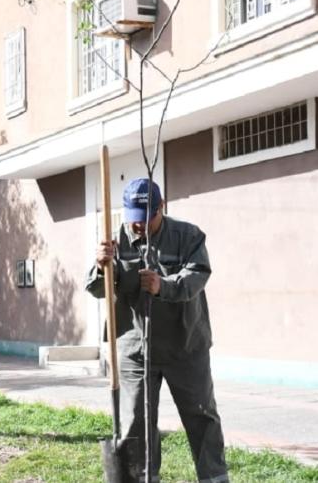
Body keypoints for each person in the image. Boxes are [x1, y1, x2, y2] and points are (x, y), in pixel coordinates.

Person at [86, 178, 229, 483]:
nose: (138, 227)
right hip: (135, 349)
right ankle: (142, 478)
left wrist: (163, 286)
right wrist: (101, 267)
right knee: (136, 422)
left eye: (146, 218)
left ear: (161, 207)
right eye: (133, 219)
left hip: (185, 345)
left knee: (201, 415)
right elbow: (97, 289)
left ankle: (214, 478)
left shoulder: (188, 236)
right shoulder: (115, 242)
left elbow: (198, 276)